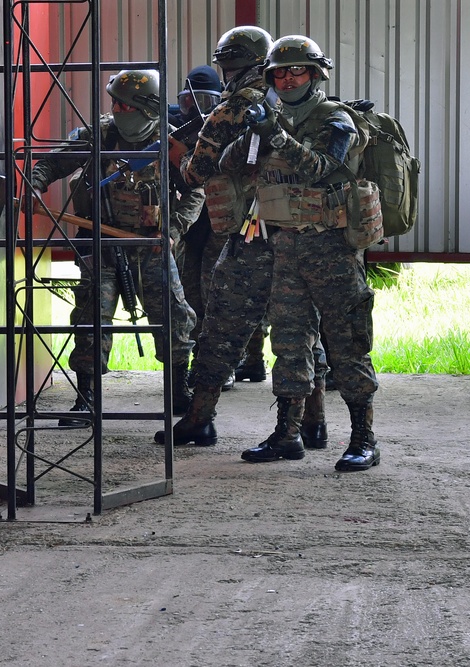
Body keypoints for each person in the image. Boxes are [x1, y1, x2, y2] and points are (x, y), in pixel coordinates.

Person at [154, 26, 330, 451]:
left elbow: (194, 173)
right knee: (302, 327)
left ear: (229, 66)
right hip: (303, 229)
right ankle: (314, 422)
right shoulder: (301, 102)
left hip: (252, 232)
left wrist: (180, 156)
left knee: (221, 325)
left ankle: (200, 419)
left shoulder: (235, 105)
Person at [222, 35, 380, 471]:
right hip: (284, 246)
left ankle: (364, 438)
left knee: (348, 341)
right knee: (289, 342)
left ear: (315, 74)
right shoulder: (269, 118)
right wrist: (251, 134)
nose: (288, 78)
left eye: (297, 70)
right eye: (279, 72)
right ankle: (287, 434)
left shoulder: (337, 119)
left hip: (329, 246)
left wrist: (276, 134)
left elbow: (322, 168)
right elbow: (228, 166)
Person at [29, 69, 204, 424]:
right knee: (91, 317)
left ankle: (177, 388)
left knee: (173, 313)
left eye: (128, 105)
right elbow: (51, 163)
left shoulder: (168, 142)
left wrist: (172, 230)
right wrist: (35, 184)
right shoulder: (100, 135)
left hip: (152, 244)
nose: (119, 109)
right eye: (115, 103)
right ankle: (87, 396)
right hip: (103, 243)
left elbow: (194, 191)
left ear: (147, 108)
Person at [167, 66, 235, 391]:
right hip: (190, 222)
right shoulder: (174, 124)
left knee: (216, 292)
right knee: (190, 292)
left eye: (207, 100)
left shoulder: (226, 123)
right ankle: (198, 363)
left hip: (220, 219)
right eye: (189, 101)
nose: (197, 108)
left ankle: (222, 365)